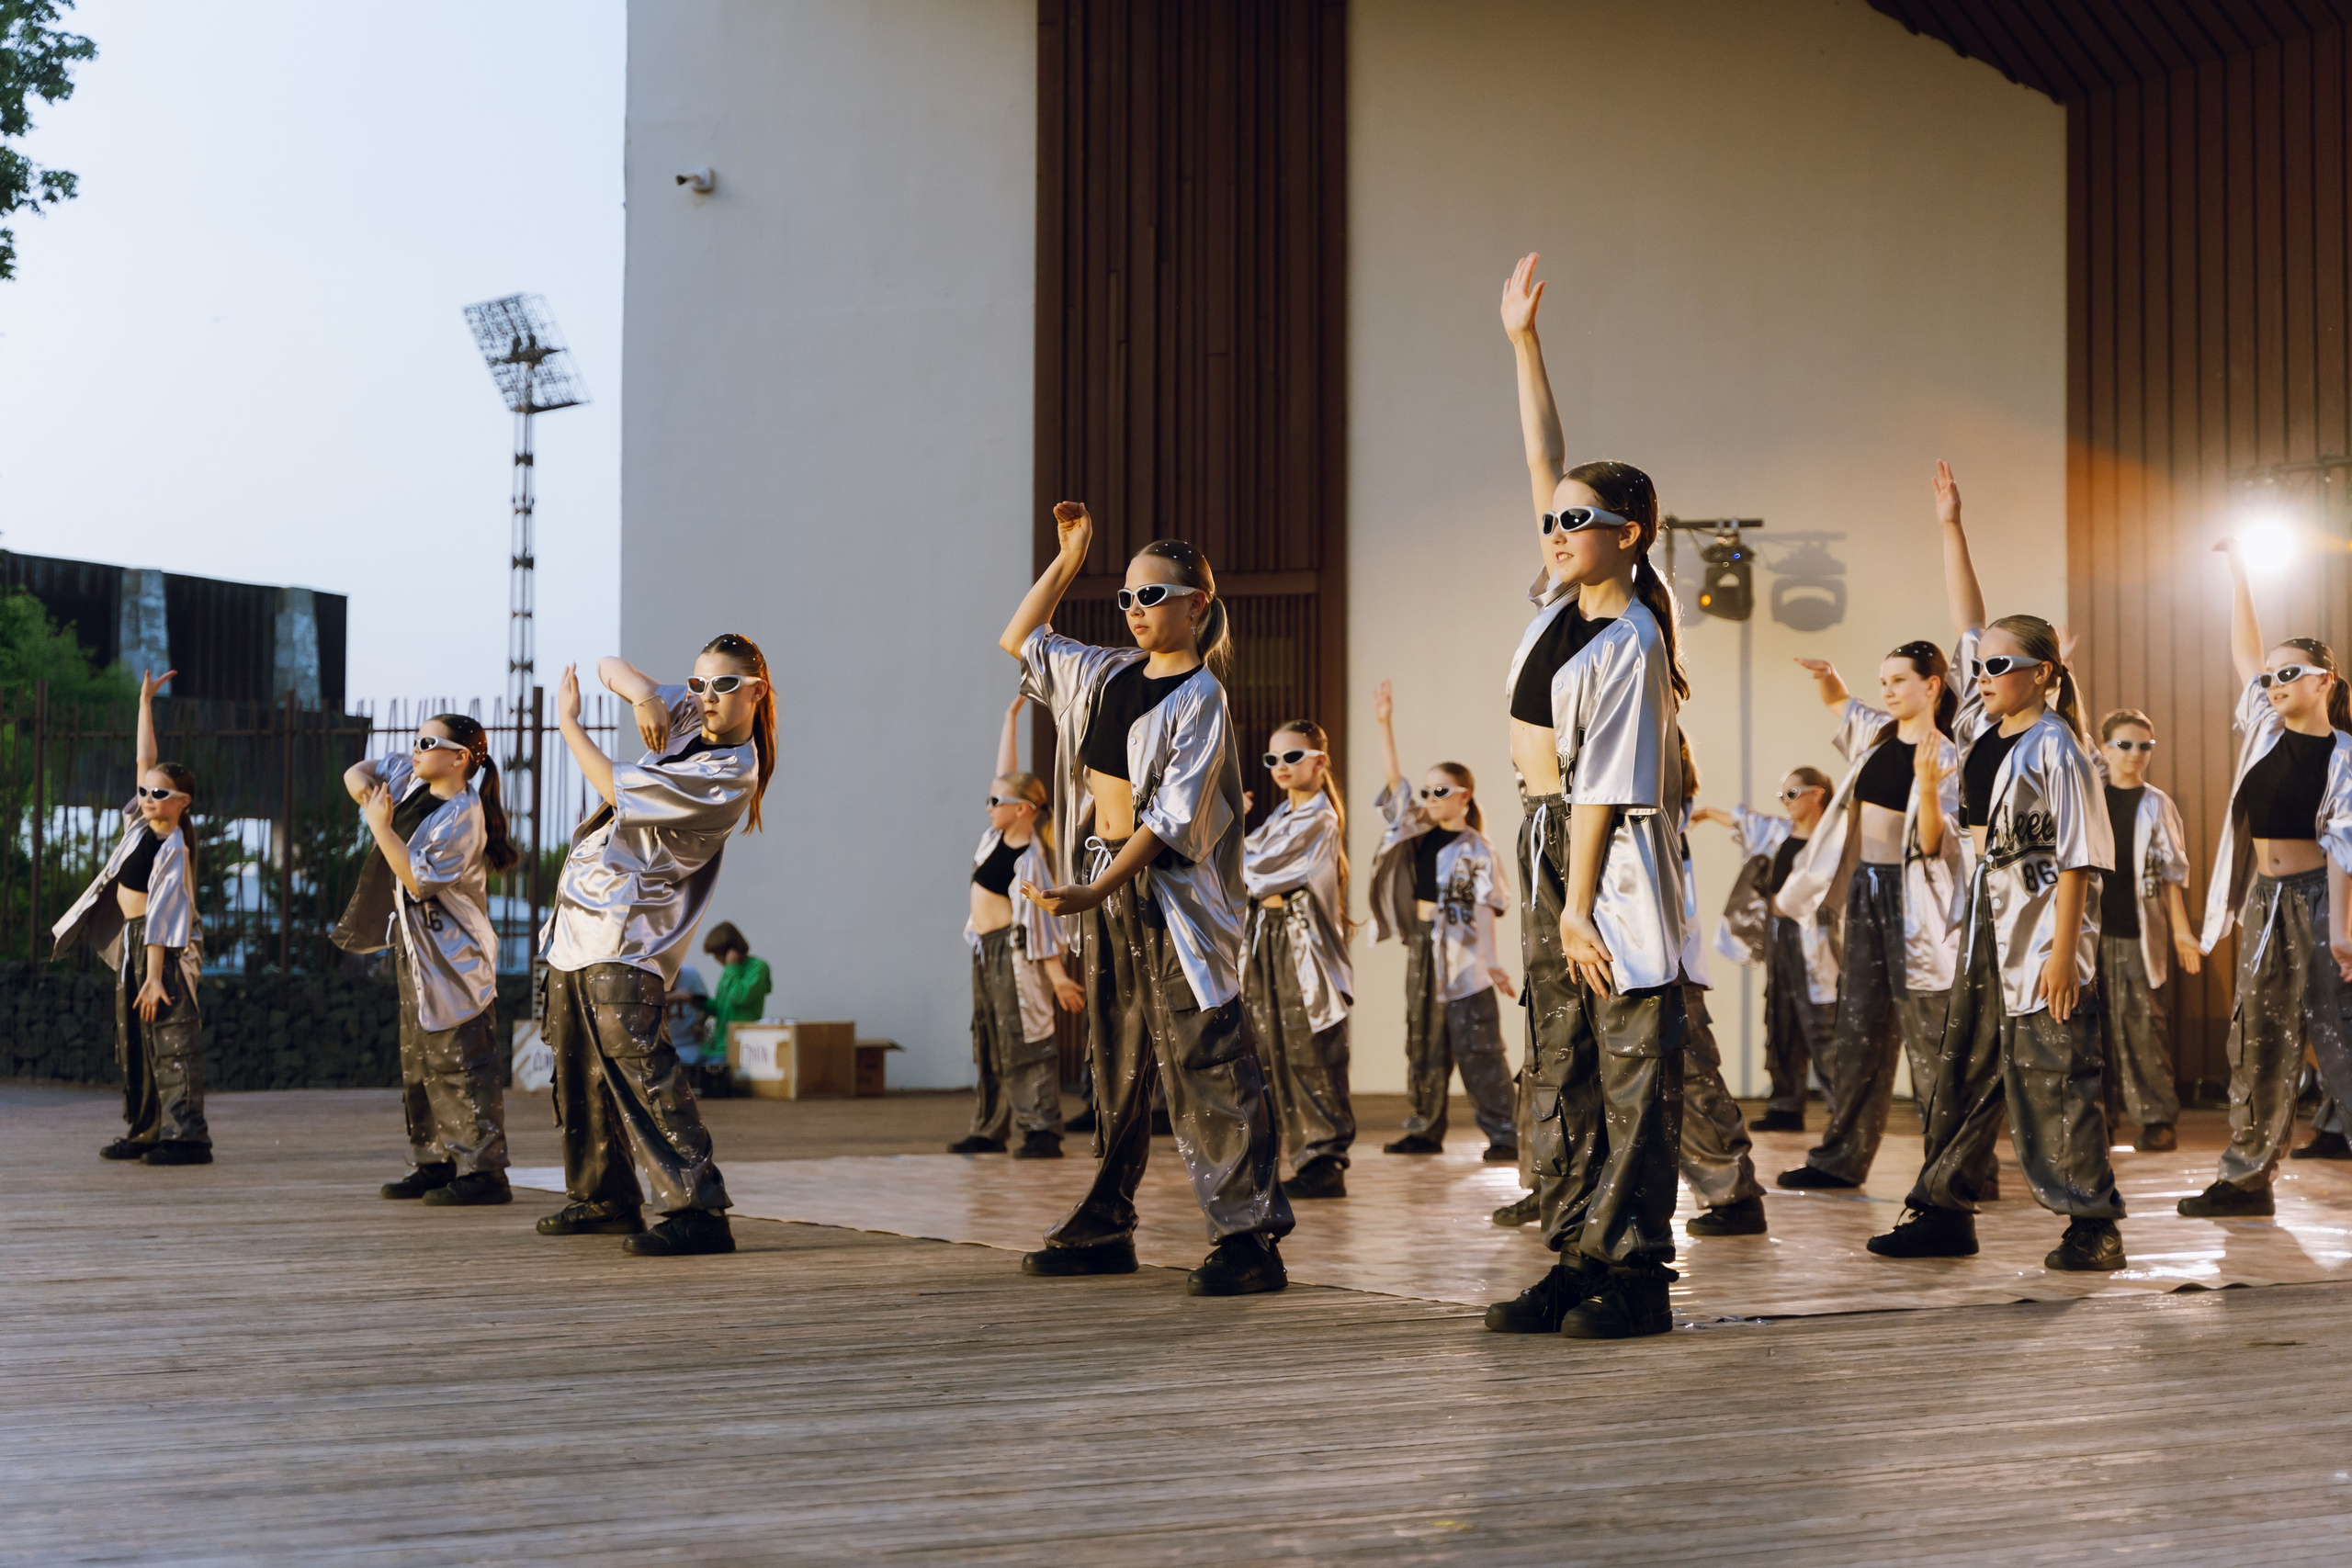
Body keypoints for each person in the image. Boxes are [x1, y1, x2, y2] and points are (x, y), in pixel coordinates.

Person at [1001, 502, 1293, 1296]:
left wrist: (1097, 885)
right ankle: (1107, 1220)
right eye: (1126, 597)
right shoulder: (1105, 673)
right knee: (1118, 1061)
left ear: (1198, 601)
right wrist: (1070, 559)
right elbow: (1019, 638)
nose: (1134, 611)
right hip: (1109, 883)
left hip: (1167, 896)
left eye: (1152, 596)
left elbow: (1169, 822)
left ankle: (1251, 1236)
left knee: (1207, 1056)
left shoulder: (1201, 699)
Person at [1483, 253, 1693, 1340]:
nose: (1557, 532)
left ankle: (1637, 1274)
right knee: (1556, 1065)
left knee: (1625, 1067)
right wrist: (1523, 342)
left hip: (1603, 860)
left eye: (1579, 523)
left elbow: (1608, 785)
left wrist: (1572, 908)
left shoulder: (1631, 636)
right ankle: (1575, 1252)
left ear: (1630, 533)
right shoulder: (1557, 604)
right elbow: (1541, 456)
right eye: (1554, 522)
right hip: (1547, 840)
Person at [1870, 461, 2124, 1271]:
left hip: (2042, 928)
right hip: (1985, 915)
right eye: (1981, 666)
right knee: (1964, 1064)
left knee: (2056, 1071)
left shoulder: (2062, 749)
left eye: (2003, 665)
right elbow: (1969, 618)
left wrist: (2059, 953)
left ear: (2044, 673)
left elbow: (2083, 858)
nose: (1985, 674)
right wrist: (1951, 526)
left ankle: (2093, 1222)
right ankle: (1943, 1209)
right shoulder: (1983, 727)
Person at [534, 634, 775, 1258]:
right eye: (698, 683)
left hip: (628, 927)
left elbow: (615, 790)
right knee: (578, 1064)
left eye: (724, 685)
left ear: (757, 690)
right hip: (579, 919)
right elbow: (609, 665)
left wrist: (568, 724)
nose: (707, 696)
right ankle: (603, 1196)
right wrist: (645, 691)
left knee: (642, 1065)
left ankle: (697, 1207)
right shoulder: (691, 712)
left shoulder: (731, 772)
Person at [2177, 542, 2352, 1215]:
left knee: (2339, 1039)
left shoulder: (2342, 756)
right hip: (2265, 900)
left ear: (2324, 680)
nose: (2275, 683)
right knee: (2259, 1038)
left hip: (2324, 901)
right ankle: (2247, 1178)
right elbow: (2245, 653)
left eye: (2291, 673)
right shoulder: (2262, 729)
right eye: (2272, 677)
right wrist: (2239, 574)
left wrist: (2341, 931)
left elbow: (2343, 849)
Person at [1771, 624, 1969, 1192]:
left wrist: (1928, 785)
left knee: (1930, 1036)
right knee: (1859, 1028)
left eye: (1898, 681)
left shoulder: (1947, 753)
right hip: (1868, 893)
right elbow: (1842, 705)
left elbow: (1934, 843)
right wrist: (1830, 679)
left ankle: (1954, 1168)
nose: (1886, 690)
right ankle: (1841, 1159)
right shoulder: (1878, 736)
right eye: (1882, 681)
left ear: (1932, 686)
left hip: (1918, 906)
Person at [334, 714, 517, 1205]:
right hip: (415, 948)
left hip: (454, 954)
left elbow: (418, 879)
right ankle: (433, 1161)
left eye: (428, 742)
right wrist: (366, 797)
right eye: (416, 740)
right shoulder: (411, 779)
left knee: (460, 1056)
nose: (415, 748)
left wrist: (379, 826)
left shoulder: (463, 815)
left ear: (460, 758)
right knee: (418, 1059)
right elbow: (357, 771)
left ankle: (484, 1170)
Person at [51, 668, 210, 1167]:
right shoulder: (143, 825)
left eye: (160, 795)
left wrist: (156, 976)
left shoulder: (173, 844)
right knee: (136, 1039)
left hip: (164, 945)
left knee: (170, 1037)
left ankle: (188, 1138)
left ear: (183, 803)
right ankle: (145, 1130)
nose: (147, 799)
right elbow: (146, 761)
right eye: (146, 793)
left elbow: (166, 912)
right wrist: (144, 704)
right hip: (135, 941)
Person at [1365, 682, 1517, 1166]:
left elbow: (1480, 910)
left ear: (1464, 796)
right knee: (1422, 1040)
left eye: (1440, 791)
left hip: (1465, 955)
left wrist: (1491, 962)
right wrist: (1385, 723)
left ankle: (1504, 1133)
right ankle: (1424, 1128)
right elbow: (1396, 788)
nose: (1429, 798)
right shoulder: (1418, 830)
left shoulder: (1476, 849)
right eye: (1427, 791)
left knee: (1478, 1046)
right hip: (1423, 946)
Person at [952, 694, 1080, 1158]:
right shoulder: (995, 838)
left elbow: (1042, 919)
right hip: (986, 949)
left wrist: (1058, 976)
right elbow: (1006, 776)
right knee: (987, 1036)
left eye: (996, 801)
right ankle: (990, 1128)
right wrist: (1009, 718)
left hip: (1015, 952)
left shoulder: (1031, 860)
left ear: (1023, 809)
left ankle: (1042, 1129)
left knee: (1024, 1037)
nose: (988, 806)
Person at [1240, 719, 1357, 1199]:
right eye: (1273, 759)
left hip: (1301, 943)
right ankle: (1290, 1156)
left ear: (1319, 761)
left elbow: (1257, 870)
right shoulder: (1279, 817)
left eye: (1293, 757)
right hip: (1269, 937)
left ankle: (1324, 1159)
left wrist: (1224, 833)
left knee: (1309, 1048)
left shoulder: (1319, 818)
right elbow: (1250, 862)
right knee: (1270, 1047)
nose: (1281, 767)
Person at [1693, 765, 1838, 1134]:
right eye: (1782, 795)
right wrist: (1708, 813)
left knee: (1822, 1022)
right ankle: (1786, 1106)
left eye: (1792, 794)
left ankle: (1842, 1108)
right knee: (1781, 1017)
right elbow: (1747, 822)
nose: (1785, 802)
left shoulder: (1835, 840)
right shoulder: (1778, 834)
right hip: (1780, 935)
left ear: (1817, 793)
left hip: (1819, 939)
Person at [1670, 734, 1768, 1238]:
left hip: (1668, 968)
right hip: (1633, 962)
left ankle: (1734, 1194)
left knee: (1691, 1079)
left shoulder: (1660, 806)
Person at [2090, 709, 2198, 1153]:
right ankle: (2098, 1118)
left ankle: (2156, 1118)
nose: (2135, 754)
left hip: (2136, 931)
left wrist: (2181, 931)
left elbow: (2171, 874)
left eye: (2144, 746)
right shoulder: (2089, 795)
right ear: (2105, 748)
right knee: (2090, 1027)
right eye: (2125, 744)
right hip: (2089, 932)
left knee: (2141, 1025)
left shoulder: (2157, 804)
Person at [673, 921, 773, 1099]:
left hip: (737, 1045)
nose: (716, 960)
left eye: (717, 955)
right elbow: (721, 1007)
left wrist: (732, 968)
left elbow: (740, 997)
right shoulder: (729, 971)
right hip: (718, 1045)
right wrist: (700, 1002)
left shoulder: (758, 967)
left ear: (729, 951)